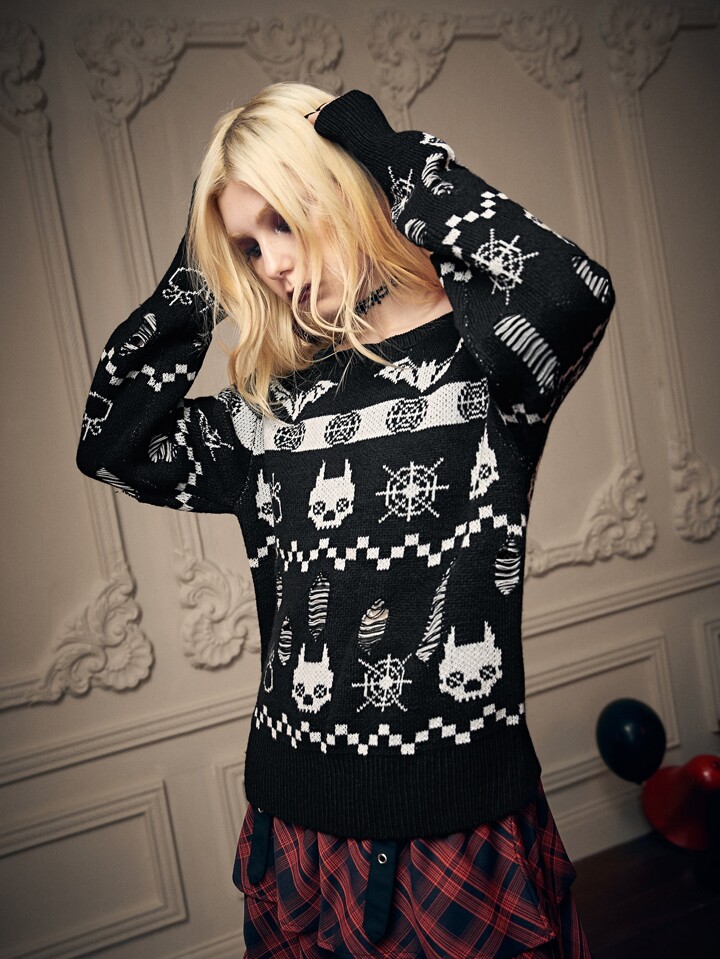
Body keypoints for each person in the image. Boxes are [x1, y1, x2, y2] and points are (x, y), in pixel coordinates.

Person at [76, 82, 615, 958]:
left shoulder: (485, 359)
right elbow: (113, 441)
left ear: (343, 188)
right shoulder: (270, 407)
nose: (270, 264)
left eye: (283, 221)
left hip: (455, 818)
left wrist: (383, 150)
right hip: (292, 814)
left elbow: (570, 288)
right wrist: (201, 269)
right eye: (248, 247)